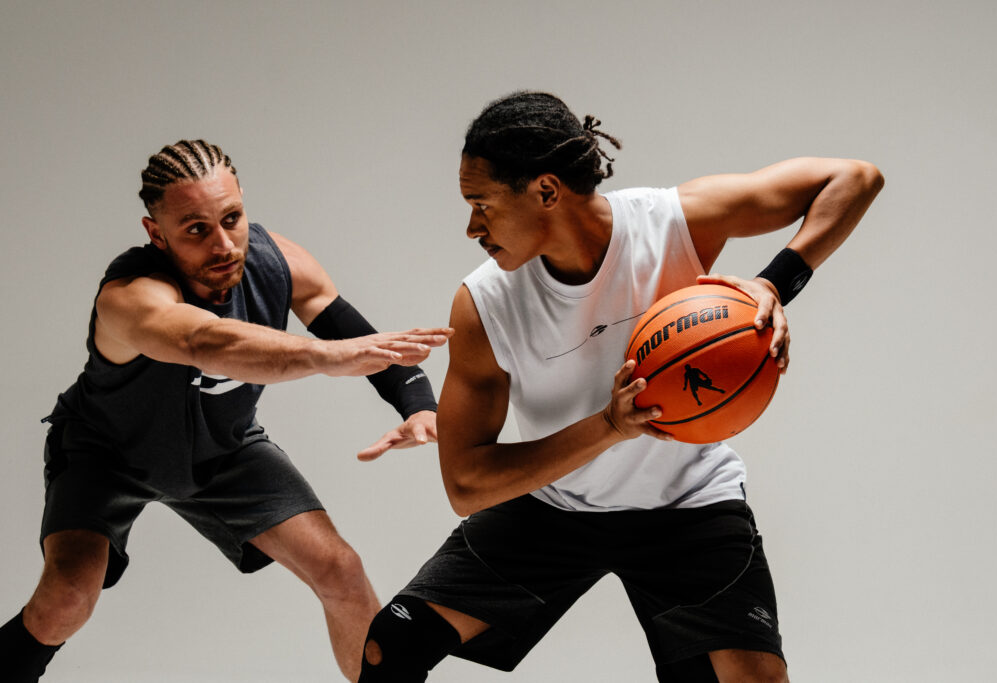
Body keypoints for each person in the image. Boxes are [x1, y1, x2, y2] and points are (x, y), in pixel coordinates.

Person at [357, 92, 884, 682]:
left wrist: (772, 286)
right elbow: (465, 483)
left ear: (547, 192)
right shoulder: (486, 304)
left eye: (481, 204)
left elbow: (855, 178)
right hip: (553, 510)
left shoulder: (673, 222)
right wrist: (607, 427)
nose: (471, 226)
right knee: (391, 645)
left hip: (689, 506)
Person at [0, 140, 453, 682]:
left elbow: (364, 341)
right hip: (107, 454)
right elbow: (207, 343)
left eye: (232, 218)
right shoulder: (130, 297)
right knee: (67, 600)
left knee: (341, 568)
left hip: (224, 451)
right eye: (195, 229)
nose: (222, 244)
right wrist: (328, 357)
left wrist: (420, 406)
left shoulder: (278, 260)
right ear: (156, 234)